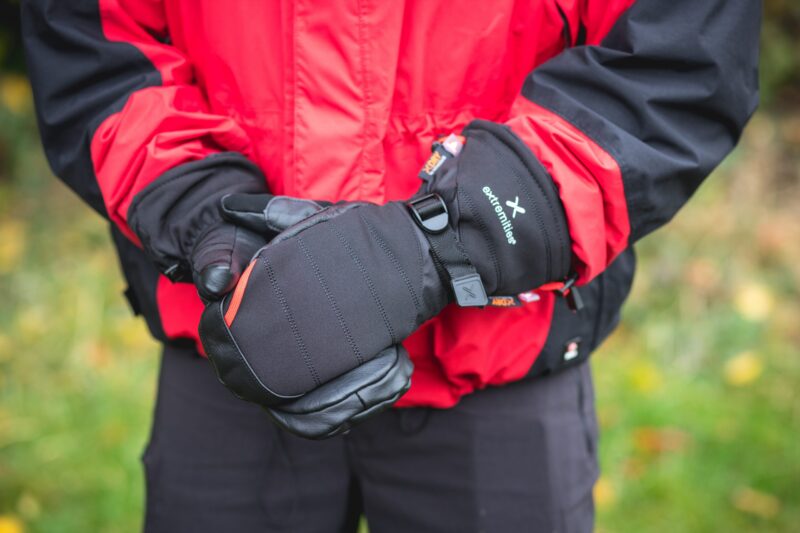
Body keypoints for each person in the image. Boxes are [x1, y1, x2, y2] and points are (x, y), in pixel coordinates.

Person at [22, 0, 760, 531]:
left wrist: (443, 242)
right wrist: (210, 216)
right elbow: (92, 48)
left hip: (495, 368)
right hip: (236, 347)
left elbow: (678, 58)